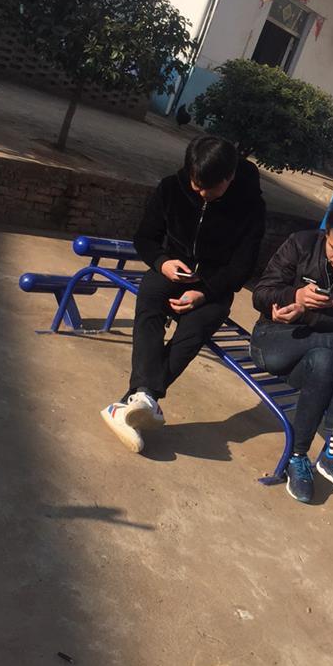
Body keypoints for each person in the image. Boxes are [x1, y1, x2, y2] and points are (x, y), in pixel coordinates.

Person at [102, 134, 266, 452]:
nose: (202, 193)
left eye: (210, 188)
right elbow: (145, 238)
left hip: (214, 284)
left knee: (196, 327)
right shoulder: (170, 188)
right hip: (172, 270)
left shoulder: (251, 206)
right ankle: (143, 397)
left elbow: (243, 265)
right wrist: (162, 263)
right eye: (196, 185)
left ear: (230, 177)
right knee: (150, 297)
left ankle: (133, 401)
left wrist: (204, 292)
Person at [250, 199, 333, 505]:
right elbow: (260, 293)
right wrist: (294, 296)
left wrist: (311, 315)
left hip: (317, 355)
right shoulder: (300, 244)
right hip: (273, 342)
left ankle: (297, 457)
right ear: (327, 232)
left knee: (326, 361)